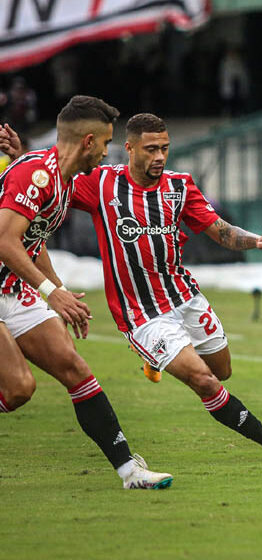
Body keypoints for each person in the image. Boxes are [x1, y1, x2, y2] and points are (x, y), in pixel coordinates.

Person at [6, 113, 262, 463]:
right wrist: (20, 158)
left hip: (185, 296)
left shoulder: (180, 187)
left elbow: (220, 230)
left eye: (164, 148)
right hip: (141, 314)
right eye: (151, 149)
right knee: (205, 382)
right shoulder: (100, 184)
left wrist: (257, 241)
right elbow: (51, 179)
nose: (159, 156)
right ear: (129, 149)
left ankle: (156, 361)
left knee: (221, 370)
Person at [0, 96, 172, 489]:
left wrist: (58, 289)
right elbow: (5, 242)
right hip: (7, 278)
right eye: (108, 142)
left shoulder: (63, 179)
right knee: (20, 388)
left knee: (75, 369)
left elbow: (32, 239)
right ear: (89, 141)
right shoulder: (37, 175)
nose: (108, 151)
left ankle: (130, 471)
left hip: (11, 286)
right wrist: (50, 292)